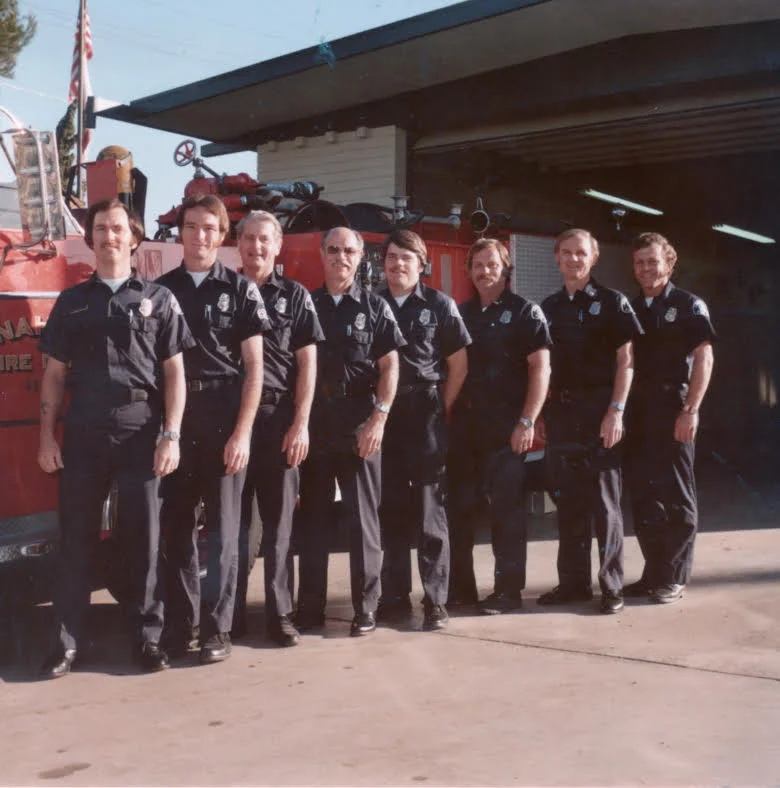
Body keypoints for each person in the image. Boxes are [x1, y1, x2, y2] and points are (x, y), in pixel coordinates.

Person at [37, 198, 192, 679]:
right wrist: (46, 438)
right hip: (84, 428)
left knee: (144, 540)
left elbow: (174, 374)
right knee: (76, 540)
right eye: (101, 228)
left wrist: (171, 435)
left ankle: (148, 639)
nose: (109, 236)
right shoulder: (71, 302)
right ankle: (66, 644)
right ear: (91, 239)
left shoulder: (159, 300)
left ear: (134, 237)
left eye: (118, 228)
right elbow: (54, 375)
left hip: (140, 429)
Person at [157, 194, 269, 664]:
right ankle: (181, 625)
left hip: (224, 416)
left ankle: (217, 630)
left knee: (225, 532)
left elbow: (255, 368)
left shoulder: (241, 291)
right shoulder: (160, 292)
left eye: (209, 228)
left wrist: (242, 433)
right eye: (191, 227)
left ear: (222, 236)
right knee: (177, 530)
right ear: (180, 233)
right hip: (178, 422)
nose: (199, 236)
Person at [296, 226, 405, 637]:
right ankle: (309, 609)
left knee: (363, 523)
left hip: (359, 425)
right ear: (322, 253)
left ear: (360, 257)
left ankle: (366, 608)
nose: (340, 257)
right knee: (313, 523)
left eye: (348, 251)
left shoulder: (376, 308)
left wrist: (378, 419)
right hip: (316, 425)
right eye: (333, 249)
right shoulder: (306, 304)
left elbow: (390, 367)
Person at [538, 228, 642, 614]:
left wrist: (616, 411)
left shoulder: (613, 303)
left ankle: (611, 586)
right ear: (557, 258)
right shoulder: (548, 307)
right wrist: (542, 413)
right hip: (562, 415)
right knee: (568, 503)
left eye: (581, 253)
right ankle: (573, 584)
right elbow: (541, 367)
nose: (573, 259)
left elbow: (626, 361)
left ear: (594, 257)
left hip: (600, 414)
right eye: (566, 252)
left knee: (605, 505)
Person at [233, 210, 324, 646]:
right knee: (231, 528)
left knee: (280, 528)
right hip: (231, 425)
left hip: (278, 422)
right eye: (248, 239)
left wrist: (301, 424)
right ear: (238, 244)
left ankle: (280, 615)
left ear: (277, 245)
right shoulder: (224, 291)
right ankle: (228, 618)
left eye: (264, 239)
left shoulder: (296, 296)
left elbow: (308, 365)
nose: (256, 247)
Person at [447, 238, 551, 614]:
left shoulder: (525, 312)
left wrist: (527, 420)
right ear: (469, 271)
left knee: (505, 512)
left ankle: (508, 591)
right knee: (459, 509)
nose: (484, 271)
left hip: (507, 426)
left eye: (492, 264)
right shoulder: (460, 313)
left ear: (506, 269)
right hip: (466, 426)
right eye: (477, 265)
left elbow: (540, 369)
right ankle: (460, 590)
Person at [376, 229, 470, 630]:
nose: (398, 264)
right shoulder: (372, 303)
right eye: (392, 257)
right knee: (391, 509)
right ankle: (394, 598)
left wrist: (439, 407)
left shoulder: (439, 304)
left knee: (431, 512)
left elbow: (459, 364)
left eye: (407, 258)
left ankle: (435, 601)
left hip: (425, 410)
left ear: (421, 263)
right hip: (385, 414)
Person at [625, 232, 715, 604]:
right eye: (640, 262)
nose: (646, 268)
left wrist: (690, 410)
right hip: (638, 412)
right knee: (644, 495)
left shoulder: (688, 305)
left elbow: (704, 358)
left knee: (676, 494)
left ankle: (675, 577)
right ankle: (654, 573)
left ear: (669, 262)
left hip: (673, 407)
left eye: (653, 261)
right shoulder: (630, 308)